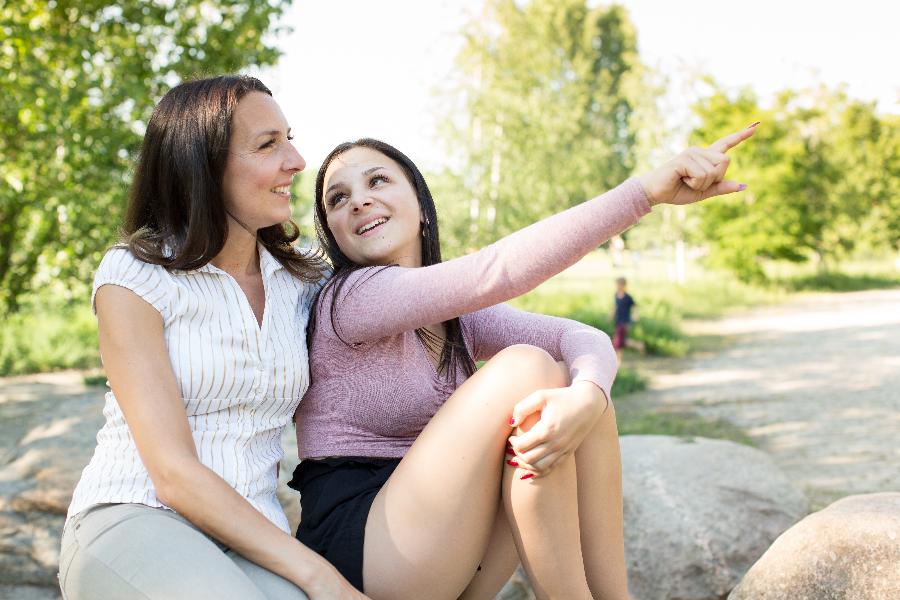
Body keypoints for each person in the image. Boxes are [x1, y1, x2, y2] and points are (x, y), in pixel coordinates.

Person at [292, 125, 757, 599]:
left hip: (445, 550)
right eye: (337, 199)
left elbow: (581, 337)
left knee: (571, 390)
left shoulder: (458, 318)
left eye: (377, 181)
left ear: (421, 207)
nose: (358, 201)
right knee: (528, 369)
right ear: (333, 234)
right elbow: (496, 271)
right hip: (364, 554)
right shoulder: (351, 299)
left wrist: (589, 398)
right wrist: (644, 194)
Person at [59, 76, 366, 600]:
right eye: (268, 145)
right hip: (133, 515)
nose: (296, 160)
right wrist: (322, 578)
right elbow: (173, 475)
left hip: (250, 536)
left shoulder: (303, 281)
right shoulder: (135, 275)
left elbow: (416, 298)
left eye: (288, 138)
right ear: (201, 165)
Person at [612, 276, 643, 364]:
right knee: (621, 341)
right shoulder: (616, 295)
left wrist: (635, 316)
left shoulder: (628, 297)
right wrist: (611, 315)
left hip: (625, 321)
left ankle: (619, 361)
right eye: (617, 285)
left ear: (623, 285)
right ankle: (639, 345)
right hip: (618, 320)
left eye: (619, 285)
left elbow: (636, 306)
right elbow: (615, 306)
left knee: (618, 342)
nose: (618, 286)